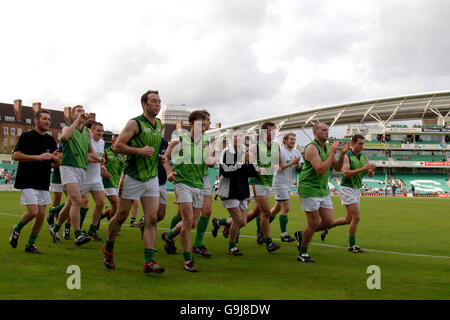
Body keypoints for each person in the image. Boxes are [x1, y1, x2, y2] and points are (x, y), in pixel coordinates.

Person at [103, 90, 165, 274]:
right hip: (132, 176)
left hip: (152, 177)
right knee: (121, 216)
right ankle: (108, 249)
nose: (157, 104)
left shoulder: (159, 124)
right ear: (144, 104)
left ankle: (149, 262)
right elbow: (117, 146)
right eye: (153, 101)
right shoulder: (134, 123)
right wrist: (139, 151)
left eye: (159, 101)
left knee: (152, 218)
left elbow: (153, 149)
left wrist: (161, 158)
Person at [161, 110, 215, 272]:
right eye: (201, 123)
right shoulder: (178, 140)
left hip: (199, 184)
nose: (205, 126)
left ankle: (169, 236)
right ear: (191, 124)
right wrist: (169, 172)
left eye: (206, 123)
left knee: (192, 223)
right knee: (187, 221)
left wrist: (211, 161)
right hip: (183, 183)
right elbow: (164, 158)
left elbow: (208, 160)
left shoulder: (207, 141)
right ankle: (187, 260)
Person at [294, 122, 350, 263]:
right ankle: (303, 252)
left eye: (328, 130)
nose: (327, 133)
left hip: (321, 189)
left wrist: (341, 154)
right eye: (324, 130)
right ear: (315, 132)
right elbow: (320, 169)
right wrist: (332, 153)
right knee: (313, 223)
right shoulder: (312, 148)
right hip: (309, 188)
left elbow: (337, 167)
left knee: (328, 221)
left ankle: (301, 235)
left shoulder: (326, 147)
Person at [50, 105, 103, 246]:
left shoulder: (86, 132)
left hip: (81, 169)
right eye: (78, 111)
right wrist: (76, 122)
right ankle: (78, 234)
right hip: (68, 167)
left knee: (69, 204)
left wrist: (98, 158)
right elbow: (65, 137)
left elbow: (91, 151)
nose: (82, 113)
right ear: (73, 115)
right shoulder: (67, 128)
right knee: (78, 201)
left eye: (83, 111)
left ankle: (55, 228)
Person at [9, 110, 61, 253]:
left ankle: (30, 244)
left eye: (49, 119)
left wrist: (56, 160)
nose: (47, 122)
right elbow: (16, 155)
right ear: (36, 120)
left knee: (41, 215)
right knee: (33, 211)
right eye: (44, 119)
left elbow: (53, 163)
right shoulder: (27, 136)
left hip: (43, 181)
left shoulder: (50, 140)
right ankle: (16, 228)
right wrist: (38, 157)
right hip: (27, 179)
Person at [320, 134, 376, 253]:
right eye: (359, 144)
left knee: (348, 219)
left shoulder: (363, 156)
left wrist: (371, 171)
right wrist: (363, 169)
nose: (362, 146)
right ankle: (352, 245)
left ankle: (326, 227)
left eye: (363, 144)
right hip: (347, 188)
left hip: (357, 189)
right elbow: (345, 173)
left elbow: (370, 174)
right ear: (353, 143)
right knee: (357, 217)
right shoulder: (347, 156)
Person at [211, 128, 259, 255]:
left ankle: (219, 222)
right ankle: (232, 247)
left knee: (243, 221)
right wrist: (242, 162)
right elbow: (226, 172)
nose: (239, 138)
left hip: (243, 190)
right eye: (236, 136)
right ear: (231, 138)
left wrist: (250, 163)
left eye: (241, 135)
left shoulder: (245, 151)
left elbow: (252, 173)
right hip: (230, 190)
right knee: (237, 220)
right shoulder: (227, 152)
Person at [248, 122, 281, 252]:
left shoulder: (275, 146)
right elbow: (248, 162)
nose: (272, 133)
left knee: (255, 213)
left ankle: (225, 223)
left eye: (274, 130)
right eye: (270, 130)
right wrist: (256, 168)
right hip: (257, 182)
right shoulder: (254, 146)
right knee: (266, 212)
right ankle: (268, 242)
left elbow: (277, 165)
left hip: (268, 182)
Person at [270, 132, 303, 243]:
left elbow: (299, 169)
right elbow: (277, 168)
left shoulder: (297, 152)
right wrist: (292, 163)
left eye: (294, 139)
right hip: (279, 182)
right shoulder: (280, 151)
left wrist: (298, 164)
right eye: (291, 139)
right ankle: (284, 234)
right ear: (285, 140)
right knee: (286, 208)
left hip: (288, 183)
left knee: (276, 209)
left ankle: (262, 224)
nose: (293, 141)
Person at [79, 121, 106, 241]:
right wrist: (94, 160)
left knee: (100, 203)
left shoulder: (102, 142)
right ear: (92, 130)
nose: (100, 133)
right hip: (84, 178)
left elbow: (99, 158)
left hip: (96, 178)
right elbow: (81, 156)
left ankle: (93, 228)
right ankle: (72, 227)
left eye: (102, 131)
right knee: (73, 203)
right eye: (98, 130)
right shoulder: (86, 141)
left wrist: (101, 164)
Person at [100, 134, 124, 222]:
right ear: (113, 141)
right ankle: (112, 224)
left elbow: (123, 167)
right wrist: (103, 172)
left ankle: (100, 217)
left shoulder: (122, 154)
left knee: (117, 206)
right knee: (116, 204)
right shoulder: (105, 152)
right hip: (107, 181)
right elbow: (99, 163)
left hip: (117, 182)